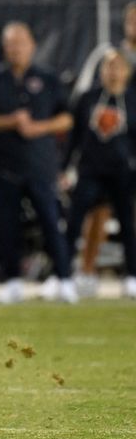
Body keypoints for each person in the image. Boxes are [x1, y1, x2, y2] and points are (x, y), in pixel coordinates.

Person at [0, 22, 76, 303]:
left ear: (32, 45)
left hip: (40, 164)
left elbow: (67, 117)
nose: (16, 49)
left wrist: (38, 127)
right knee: (7, 226)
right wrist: (11, 121)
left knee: (51, 221)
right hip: (5, 164)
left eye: (21, 43)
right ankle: (12, 281)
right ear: (4, 48)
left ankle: (65, 278)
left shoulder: (48, 78)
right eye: (10, 44)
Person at [64, 49, 136, 299]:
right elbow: (73, 138)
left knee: (128, 225)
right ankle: (63, 275)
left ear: (127, 71)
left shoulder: (133, 99)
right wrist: (64, 169)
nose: (113, 71)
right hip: (90, 170)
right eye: (109, 66)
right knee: (74, 223)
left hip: (122, 173)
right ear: (101, 70)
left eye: (118, 66)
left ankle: (132, 277)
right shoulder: (87, 98)